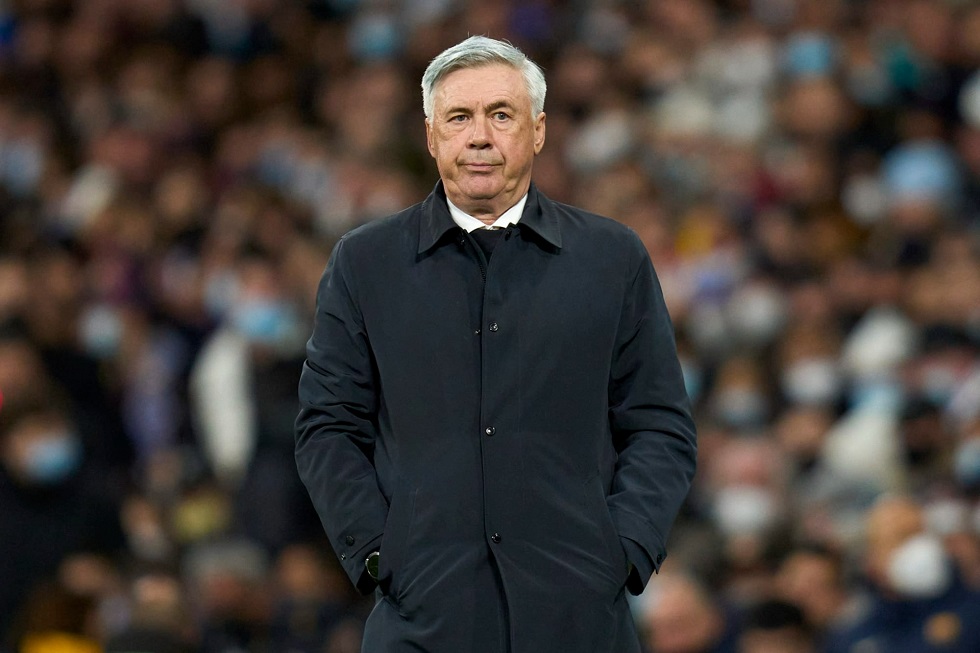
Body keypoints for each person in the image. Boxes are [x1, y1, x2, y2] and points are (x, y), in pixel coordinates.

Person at [295, 35, 697, 653]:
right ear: (431, 137)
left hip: (581, 618)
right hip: (420, 619)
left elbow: (660, 423)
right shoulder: (365, 262)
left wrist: (623, 551)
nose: (479, 137)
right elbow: (327, 426)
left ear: (538, 131)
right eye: (459, 117)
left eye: (501, 115)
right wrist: (378, 553)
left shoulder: (611, 257)